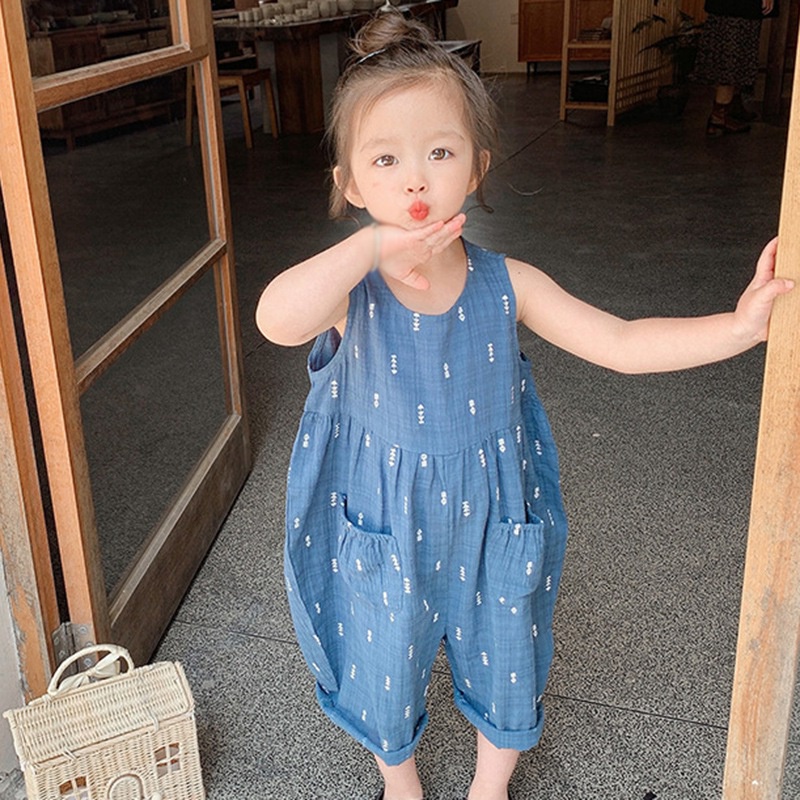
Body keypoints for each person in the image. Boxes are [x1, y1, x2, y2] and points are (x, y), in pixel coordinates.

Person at [255, 11, 792, 800]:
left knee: (507, 649)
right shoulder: (349, 293)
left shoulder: (510, 285)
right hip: (383, 520)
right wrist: (365, 248)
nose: (414, 179)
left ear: (477, 167)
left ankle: (490, 784)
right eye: (385, 158)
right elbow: (275, 319)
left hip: (493, 517)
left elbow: (621, 341)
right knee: (381, 654)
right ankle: (399, 781)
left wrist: (739, 328)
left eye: (440, 152)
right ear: (350, 184)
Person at [693, 0, 777, 136]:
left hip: (728, 7)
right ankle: (719, 116)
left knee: (735, 52)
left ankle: (731, 106)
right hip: (738, 8)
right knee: (732, 56)